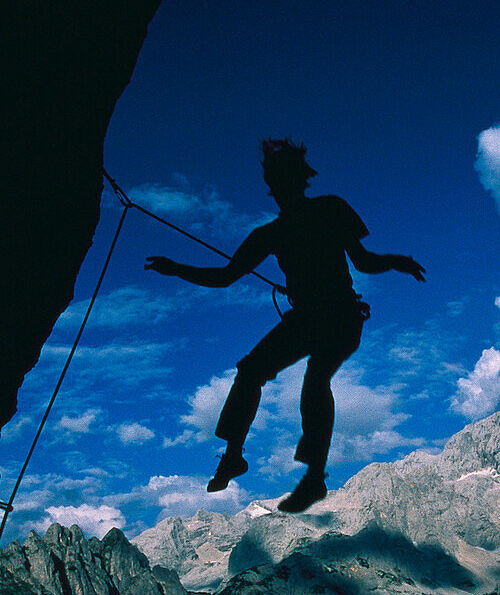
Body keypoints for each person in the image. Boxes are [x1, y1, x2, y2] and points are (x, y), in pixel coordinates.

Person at [145, 138, 425, 513]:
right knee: (254, 371)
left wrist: (393, 261)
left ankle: (310, 477)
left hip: (338, 314)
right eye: (275, 183)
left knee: (313, 378)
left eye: (283, 182)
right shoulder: (285, 228)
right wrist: (176, 268)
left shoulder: (321, 212)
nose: (278, 191)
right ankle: (235, 456)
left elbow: (362, 260)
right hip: (314, 317)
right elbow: (227, 276)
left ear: (297, 181)